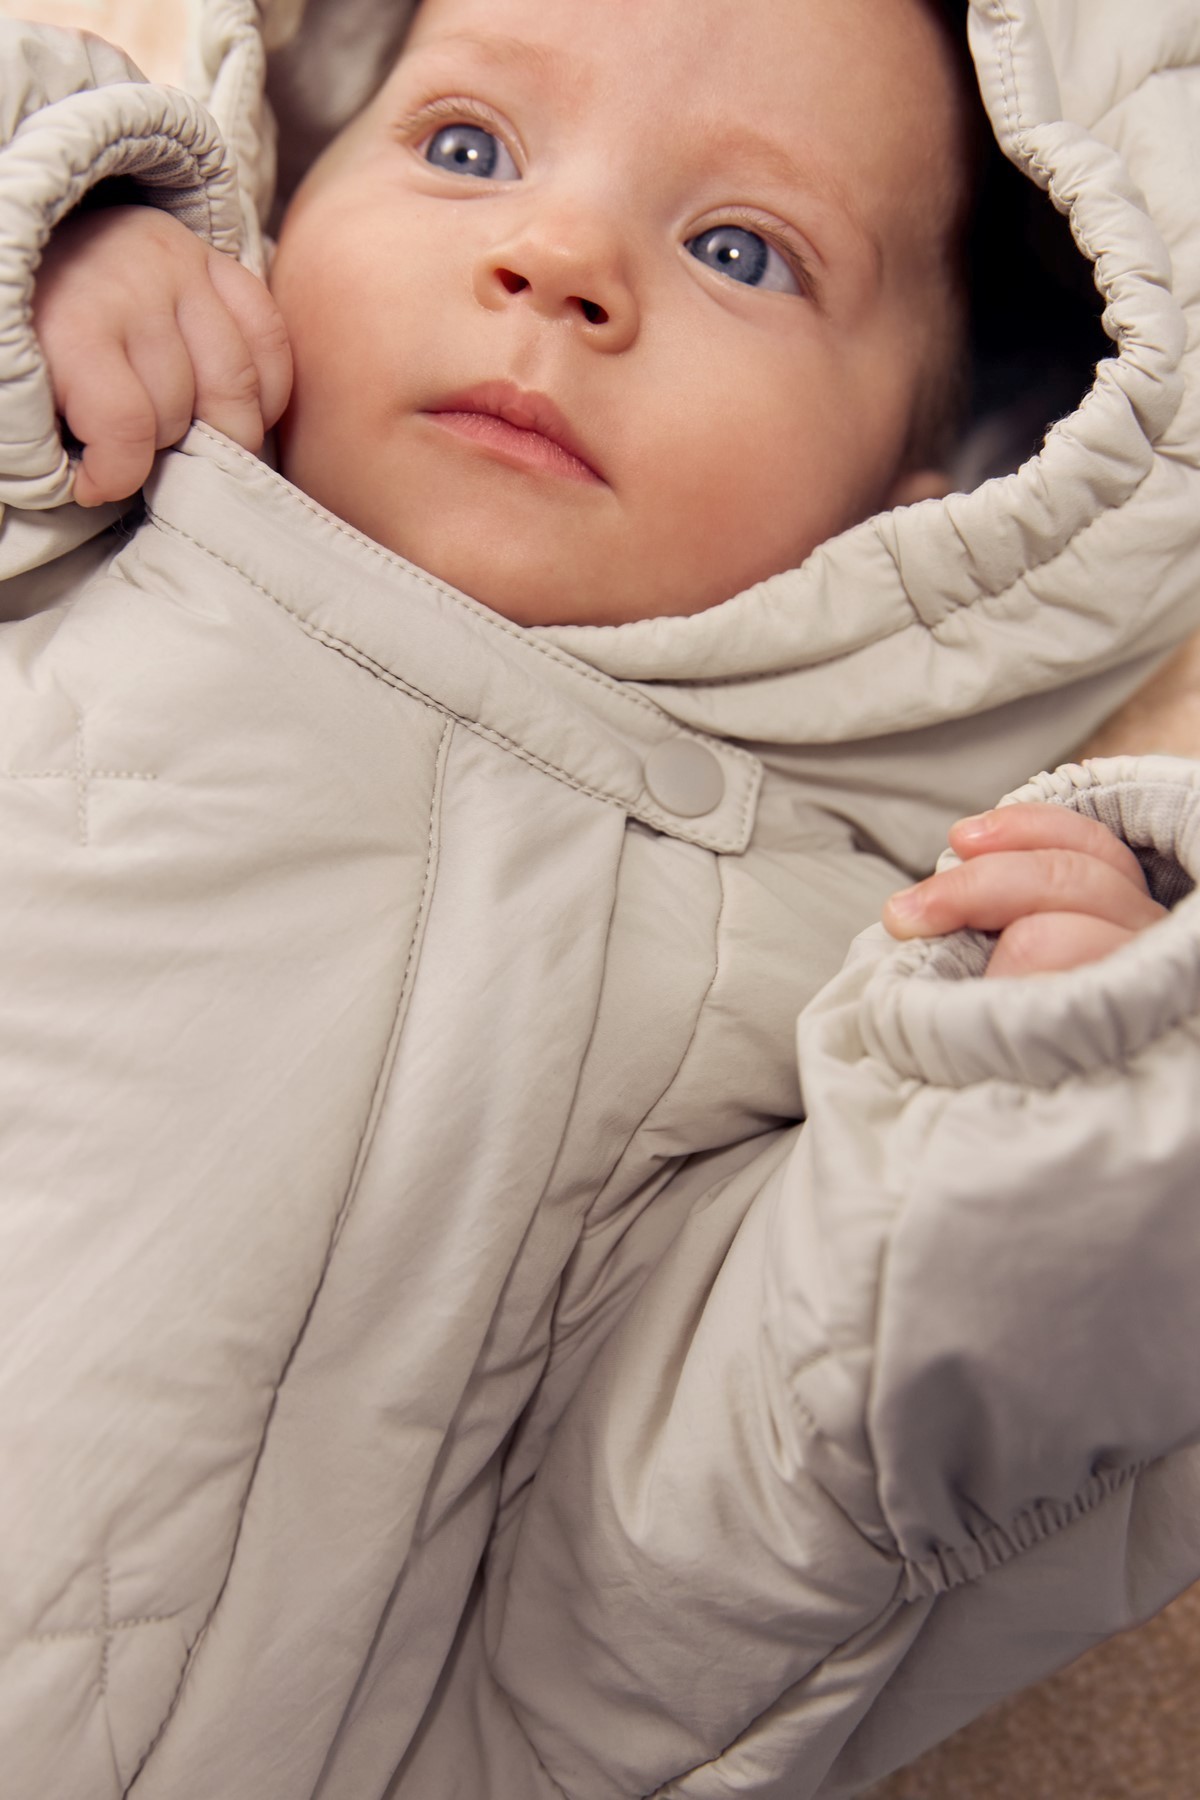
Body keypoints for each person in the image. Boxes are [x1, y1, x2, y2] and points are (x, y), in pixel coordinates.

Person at [1, 1, 1199, 1797]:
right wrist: (49, 226)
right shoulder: (70, 506)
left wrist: (1049, 1123)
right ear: (292, 186)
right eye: (466, 148)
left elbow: (697, 1594)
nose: (558, 257)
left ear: (921, 515)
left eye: (744, 251)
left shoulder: (822, 978)